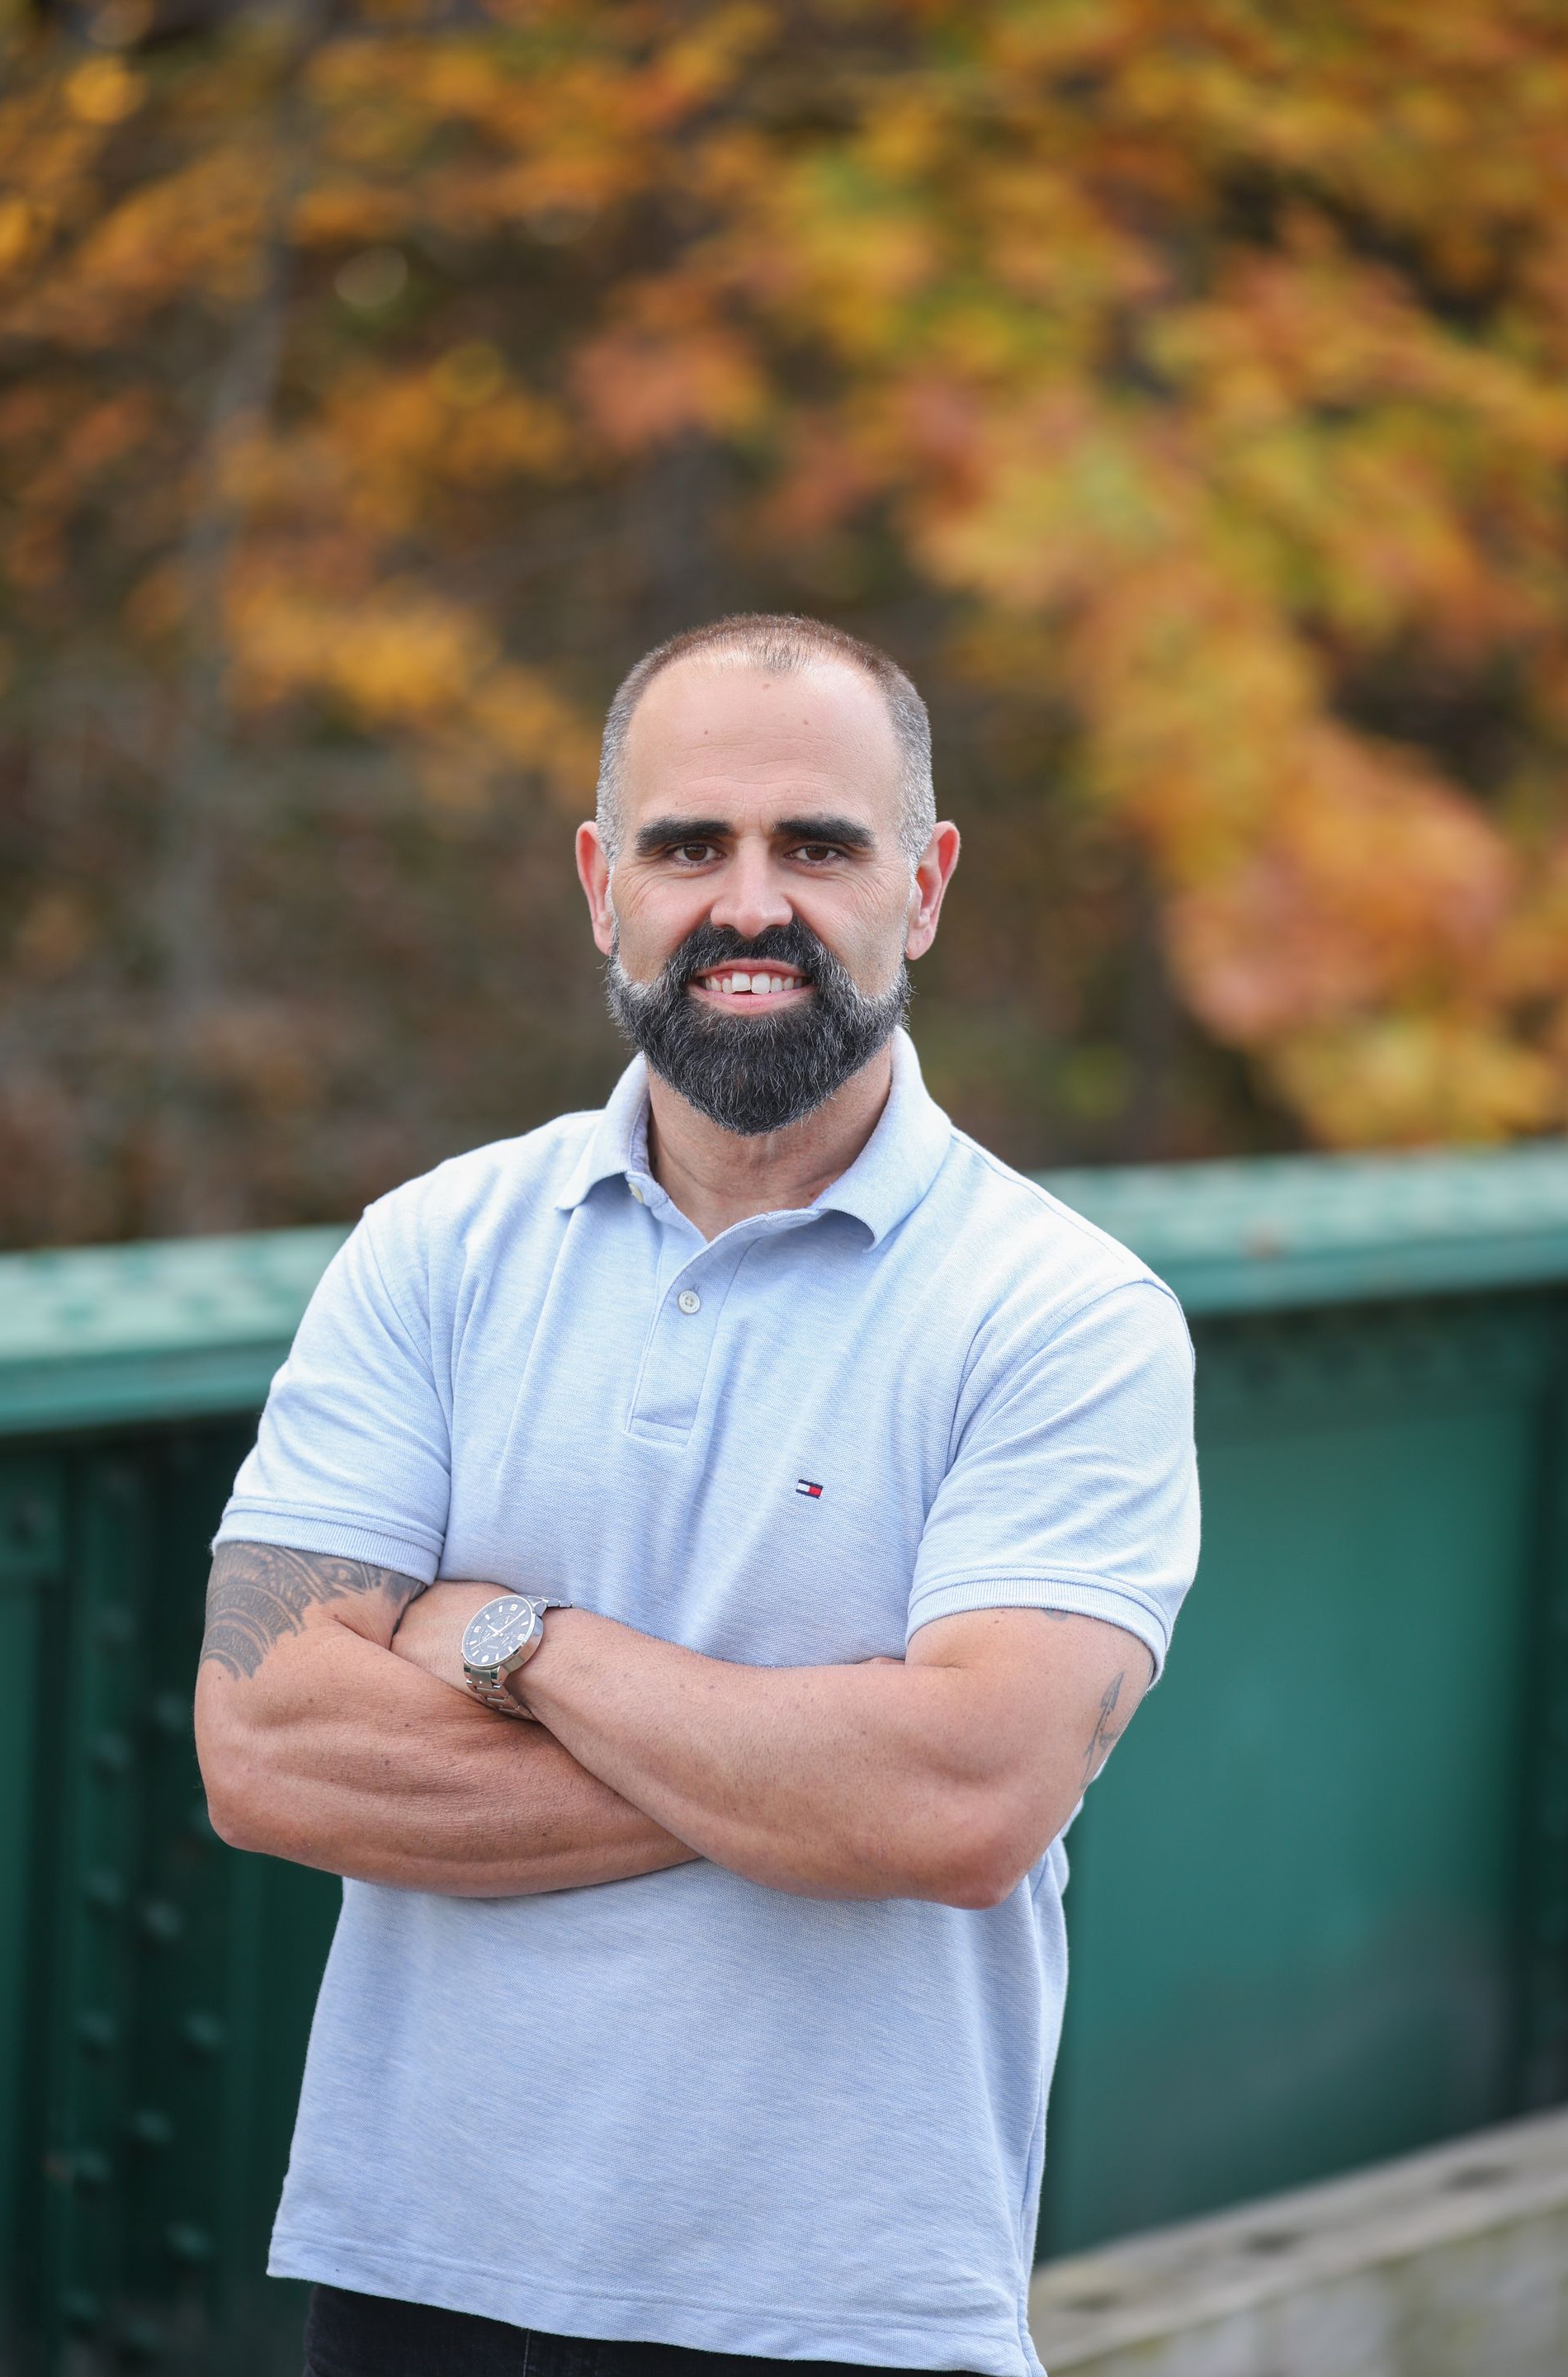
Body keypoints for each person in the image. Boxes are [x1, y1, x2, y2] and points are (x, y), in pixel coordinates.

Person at [195, 613, 1199, 2377]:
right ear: (604, 886)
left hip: (844, 2307)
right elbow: (264, 1745)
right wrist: (809, 1773)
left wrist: (517, 1643)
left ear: (923, 886)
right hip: (416, 2264)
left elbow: (965, 1805)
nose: (750, 904)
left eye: (818, 846)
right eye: (687, 847)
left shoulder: (1065, 1315)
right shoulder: (429, 1252)